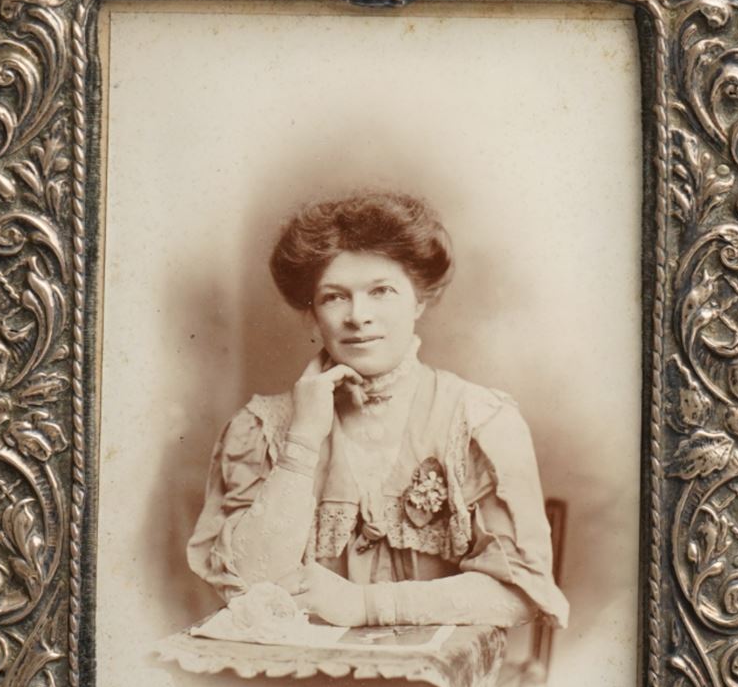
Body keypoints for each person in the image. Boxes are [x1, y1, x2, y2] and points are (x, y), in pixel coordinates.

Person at [186, 191, 569, 632]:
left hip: (429, 672)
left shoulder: (479, 421)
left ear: (418, 300)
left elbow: (519, 592)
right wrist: (302, 441)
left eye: (382, 291)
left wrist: (368, 605)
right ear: (313, 313)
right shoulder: (261, 428)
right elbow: (248, 588)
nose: (358, 316)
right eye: (334, 297)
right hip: (297, 671)